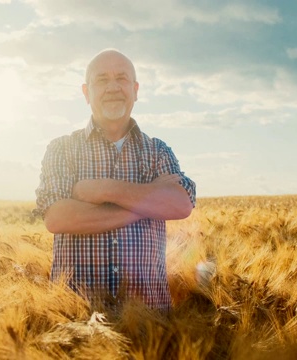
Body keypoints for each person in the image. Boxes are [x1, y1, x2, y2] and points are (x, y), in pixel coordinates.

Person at [33, 49, 196, 311]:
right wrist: (146, 204)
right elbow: (58, 218)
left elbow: (180, 205)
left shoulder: (158, 150)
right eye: (101, 80)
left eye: (121, 79)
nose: (112, 87)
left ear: (135, 90)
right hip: (75, 323)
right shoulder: (61, 149)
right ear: (86, 93)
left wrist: (102, 189)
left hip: (151, 325)